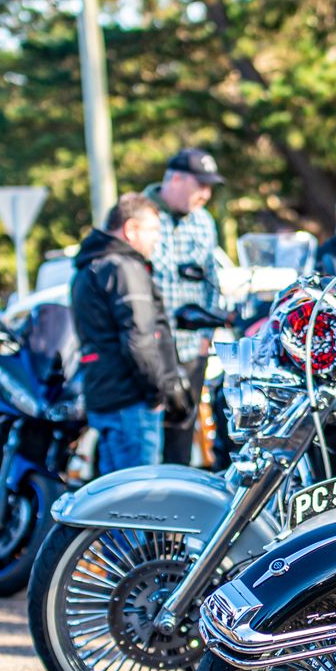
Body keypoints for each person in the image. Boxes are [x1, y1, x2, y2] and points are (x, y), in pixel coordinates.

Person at [71, 193, 193, 472]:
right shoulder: (124, 268)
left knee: (114, 501)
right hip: (131, 402)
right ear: (130, 229)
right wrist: (157, 392)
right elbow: (139, 338)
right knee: (138, 503)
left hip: (105, 396)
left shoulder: (88, 267)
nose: (156, 240)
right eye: (152, 230)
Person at [145, 148, 224, 465]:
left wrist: (207, 334)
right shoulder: (140, 216)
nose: (206, 194)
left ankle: (172, 505)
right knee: (149, 433)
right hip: (150, 349)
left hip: (192, 348)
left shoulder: (204, 222)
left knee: (182, 430)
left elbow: (212, 281)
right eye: (200, 185)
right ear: (175, 179)